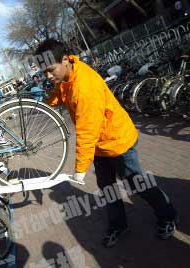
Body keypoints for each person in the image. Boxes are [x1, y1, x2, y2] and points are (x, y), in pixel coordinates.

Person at [34, 39, 178, 247]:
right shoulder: (67, 74)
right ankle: (119, 224)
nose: (48, 76)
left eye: (50, 70)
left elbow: (86, 130)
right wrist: (46, 103)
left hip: (117, 141)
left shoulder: (84, 86)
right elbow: (61, 93)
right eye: (44, 72)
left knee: (136, 184)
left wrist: (80, 168)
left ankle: (168, 215)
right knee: (107, 187)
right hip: (100, 146)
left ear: (65, 60)